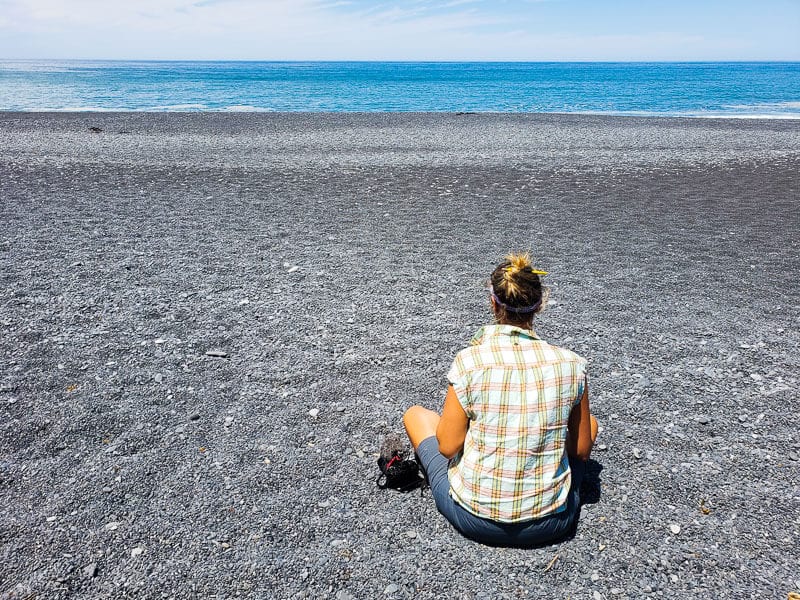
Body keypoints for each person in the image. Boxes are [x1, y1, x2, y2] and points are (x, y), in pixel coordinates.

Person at [403, 253, 598, 547]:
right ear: (541, 304)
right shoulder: (571, 365)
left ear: (493, 303)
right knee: (590, 424)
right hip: (552, 522)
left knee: (416, 415)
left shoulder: (471, 361)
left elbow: (448, 446)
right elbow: (581, 449)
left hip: (474, 517)